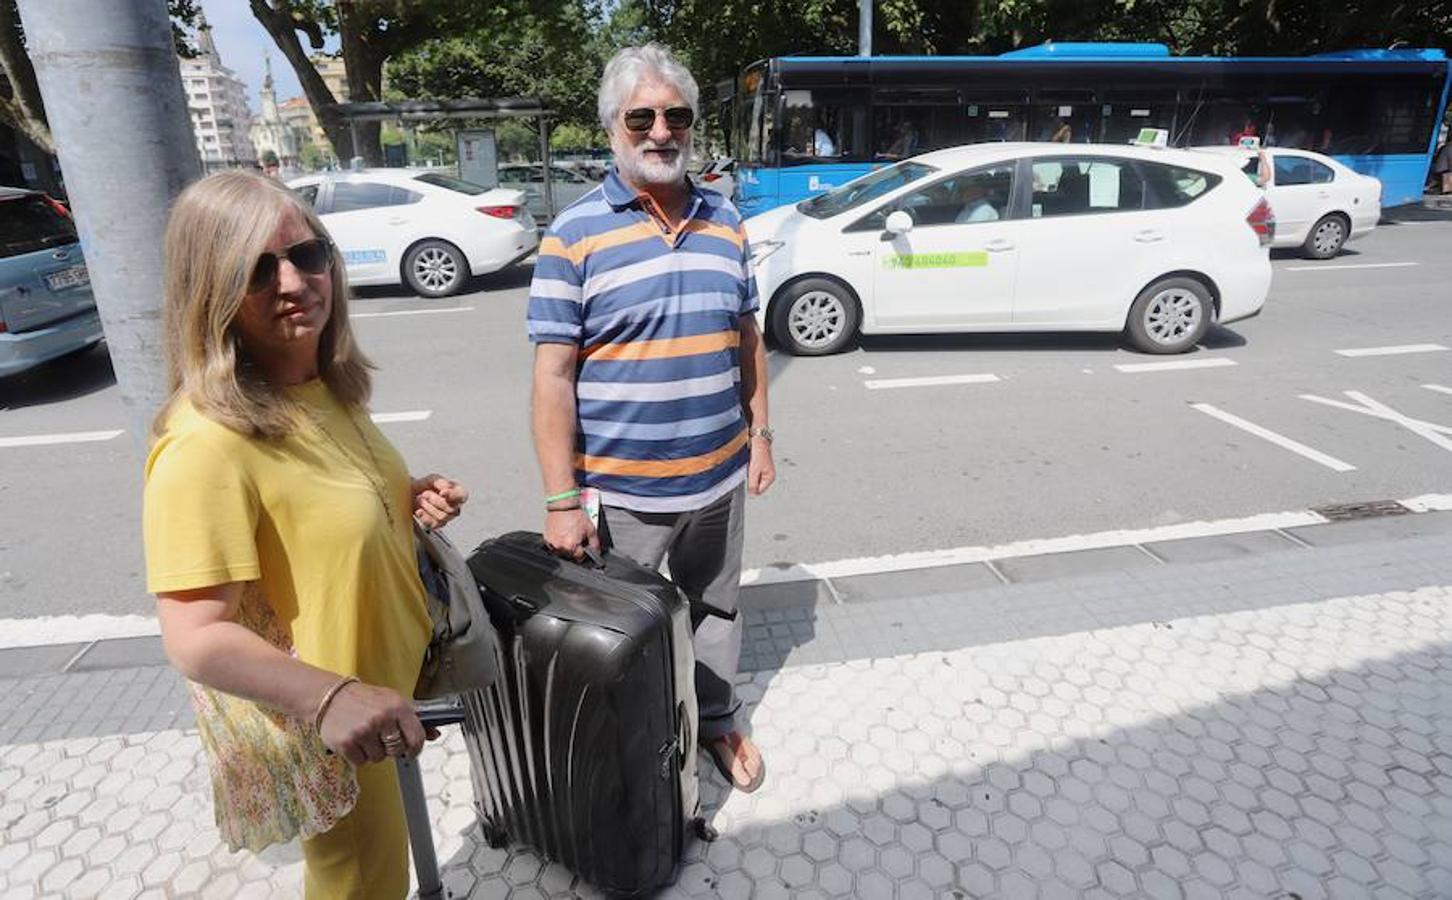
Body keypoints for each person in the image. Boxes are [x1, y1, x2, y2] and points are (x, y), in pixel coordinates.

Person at [143, 170, 469, 898]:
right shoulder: (205, 443)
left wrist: (405, 498)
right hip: (332, 731)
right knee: (362, 882)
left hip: (379, 700)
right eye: (256, 269)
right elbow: (194, 636)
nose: (294, 282)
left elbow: (317, 513)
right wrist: (332, 700)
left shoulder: (321, 384)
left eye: (307, 255)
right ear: (210, 290)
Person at [527, 43, 774, 794]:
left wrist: (760, 435)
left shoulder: (725, 222)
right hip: (622, 498)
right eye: (643, 116)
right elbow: (552, 376)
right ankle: (630, 753)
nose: (661, 131)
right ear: (613, 128)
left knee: (717, 610)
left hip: (718, 479)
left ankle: (718, 719)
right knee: (619, 634)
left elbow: (747, 337)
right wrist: (561, 501)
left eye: (676, 116)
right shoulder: (573, 235)